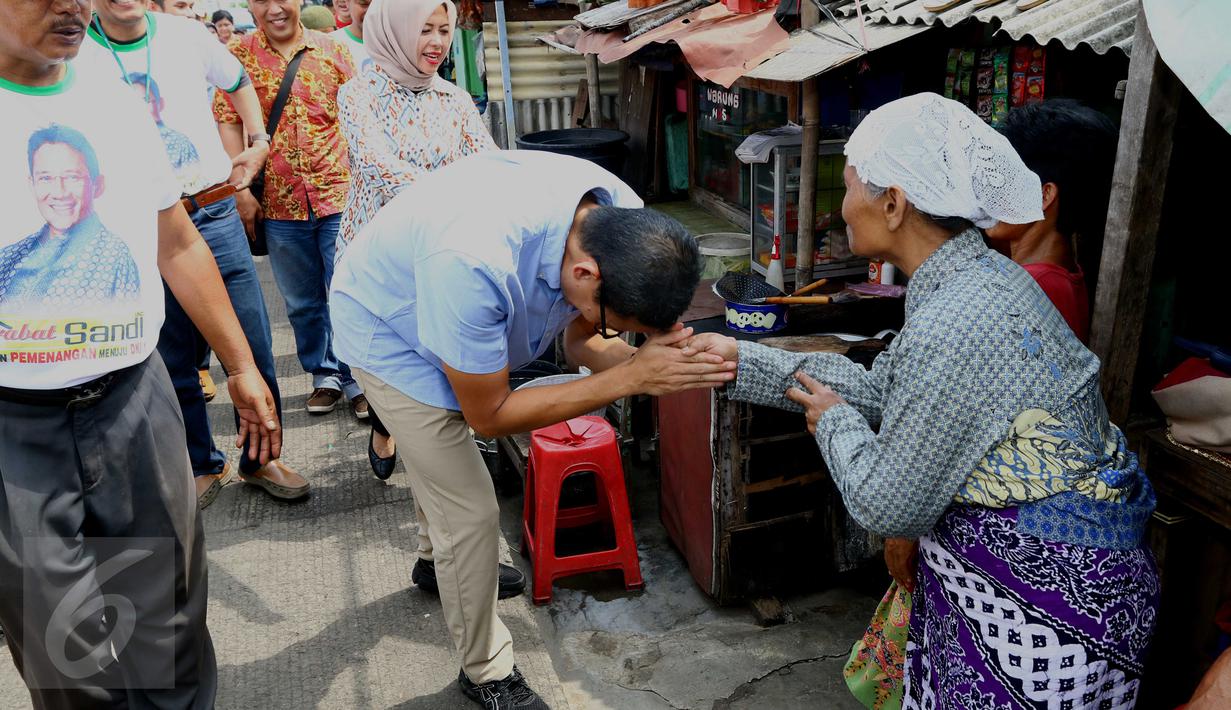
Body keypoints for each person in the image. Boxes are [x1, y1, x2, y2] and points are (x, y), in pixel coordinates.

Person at [687, 93, 1159, 708]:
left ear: (893, 203)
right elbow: (884, 387)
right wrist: (735, 360)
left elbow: (888, 505)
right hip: (1049, 590)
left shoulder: (958, 315)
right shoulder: (974, 281)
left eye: (849, 185)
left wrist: (835, 423)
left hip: (1045, 613)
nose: (840, 206)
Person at [331, 149, 735, 709]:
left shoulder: (620, 218)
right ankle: (486, 671)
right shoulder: (474, 260)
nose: (611, 331)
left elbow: (582, 339)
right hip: (390, 333)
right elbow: (489, 415)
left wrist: (664, 366)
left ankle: (435, 561)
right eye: (615, 323)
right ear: (585, 274)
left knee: (441, 476)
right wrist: (631, 378)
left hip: (448, 297)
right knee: (469, 509)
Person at [0, 0, 282, 705]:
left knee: (165, 622)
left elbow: (176, 240)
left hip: (132, 402)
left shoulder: (106, 85)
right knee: (62, 647)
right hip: (14, 431)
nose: (72, 5)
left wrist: (241, 367)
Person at [82, 4, 307, 506]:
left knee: (251, 342)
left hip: (212, 211)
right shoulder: (77, 52)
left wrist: (258, 140)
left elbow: (238, 80)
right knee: (172, 356)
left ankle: (261, 459)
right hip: (144, 224)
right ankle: (202, 462)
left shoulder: (186, 36)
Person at [337, 0, 496, 478]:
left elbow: (486, 164)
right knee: (388, 358)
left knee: (437, 355)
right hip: (378, 256)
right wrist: (450, 193)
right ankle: (384, 423)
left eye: (444, 30)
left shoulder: (455, 99)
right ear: (395, 30)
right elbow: (376, 166)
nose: (437, 42)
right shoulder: (358, 94)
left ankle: (437, 449)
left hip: (437, 250)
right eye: (425, 29)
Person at [216, 0, 367, 418]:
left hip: (337, 194)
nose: (274, 9)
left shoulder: (332, 49)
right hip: (279, 202)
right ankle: (324, 374)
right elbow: (227, 118)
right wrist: (240, 189)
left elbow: (356, 114)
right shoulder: (239, 55)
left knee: (347, 292)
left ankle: (357, 378)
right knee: (302, 301)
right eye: (261, 1)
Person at [985, 99, 1119, 343]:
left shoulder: (1030, 288)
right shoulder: (1065, 276)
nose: (990, 192)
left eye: (1004, 179)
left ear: (1044, 195)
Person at [0, 126, 141, 307]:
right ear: (32, 184)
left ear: (97, 185)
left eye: (72, 177)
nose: (59, 192)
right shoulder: (8, 257)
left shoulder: (114, 257)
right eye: (46, 178)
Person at [329, 0, 370, 72]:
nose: (372, 11)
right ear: (348, 3)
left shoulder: (391, 40)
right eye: (364, 4)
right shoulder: (330, 44)